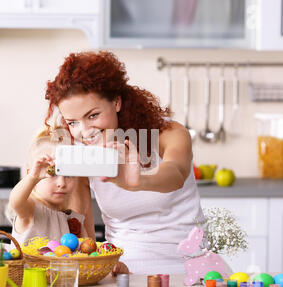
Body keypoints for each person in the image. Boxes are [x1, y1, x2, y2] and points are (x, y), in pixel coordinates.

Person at [44, 50, 208, 275]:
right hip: (123, 269)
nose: (85, 131)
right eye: (73, 122)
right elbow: (84, 229)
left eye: (93, 115)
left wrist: (139, 181)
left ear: (117, 102)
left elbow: (176, 174)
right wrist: (97, 268)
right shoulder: (79, 152)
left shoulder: (168, 132)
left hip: (188, 266)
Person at [5, 128, 88, 249]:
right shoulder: (30, 210)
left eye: (69, 175)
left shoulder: (74, 219)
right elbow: (15, 201)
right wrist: (32, 178)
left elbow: (87, 255)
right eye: (52, 174)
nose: (62, 183)